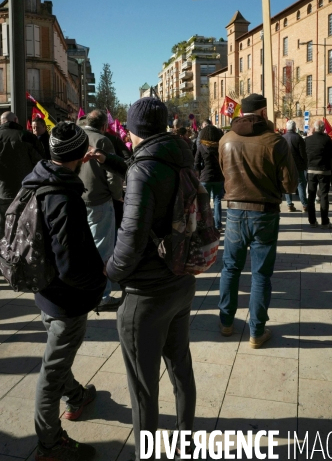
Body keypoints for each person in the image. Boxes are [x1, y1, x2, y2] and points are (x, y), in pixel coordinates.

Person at [105, 97, 197, 461]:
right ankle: (186, 442)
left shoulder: (142, 170)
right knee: (180, 369)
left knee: (143, 387)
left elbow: (130, 238)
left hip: (146, 291)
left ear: (133, 130)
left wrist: (110, 270)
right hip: (182, 278)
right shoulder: (180, 154)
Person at [23, 122, 106, 461]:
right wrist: (99, 283)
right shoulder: (64, 198)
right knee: (51, 370)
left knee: (57, 355)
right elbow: (72, 267)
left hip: (43, 288)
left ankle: (76, 396)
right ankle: (49, 442)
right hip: (65, 300)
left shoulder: (39, 177)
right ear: (78, 157)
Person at [218, 94, 297, 348]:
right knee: (261, 274)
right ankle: (256, 331)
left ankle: (226, 322)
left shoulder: (226, 139)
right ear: (263, 113)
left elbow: (223, 173)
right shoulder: (275, 141)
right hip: (264, 212)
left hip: (233, 211)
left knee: (230, 268)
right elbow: (290, 184)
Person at [80, 109, 123, 312]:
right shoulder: (102, 141)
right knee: (102, 249)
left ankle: (87, 288)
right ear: (104, 126)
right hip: (99, 199)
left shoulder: (77, 137)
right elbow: (113, 173)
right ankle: (102, 296)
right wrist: (117, 195)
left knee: (86, 247)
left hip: (78, 198)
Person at [0, 111, 43, 238]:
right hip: (25, 192)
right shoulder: (27, 137)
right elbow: (41, 163)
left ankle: (4, 253)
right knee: (23, 226)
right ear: (16, 120)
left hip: (2, 192)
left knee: (3, 227)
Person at [305, 120, 332, 228]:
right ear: (323, 129)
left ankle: (312, 221)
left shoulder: (307, 140)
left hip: (311, 170)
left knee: (311, 195)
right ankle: (324, 221)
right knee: (324, 196)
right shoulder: (327, 139)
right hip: (324, 170)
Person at [194, 124, 224, 229]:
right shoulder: (220, 146)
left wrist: (199, 173)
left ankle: (206, 224)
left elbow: (196, 163)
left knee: (204, 203)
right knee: (217, 201)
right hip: (218, 178)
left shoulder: (201, 147)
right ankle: (217, 224)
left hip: (205, 178)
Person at [282, 119, 308, 212]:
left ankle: (289, 204)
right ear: (294, 128)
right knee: (301, 185)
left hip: (286, 165)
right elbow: (303, 154)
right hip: (298, 166)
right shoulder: (298, 138)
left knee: (287, 184)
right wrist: (305, 164)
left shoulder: (282, 138)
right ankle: (305, 205)